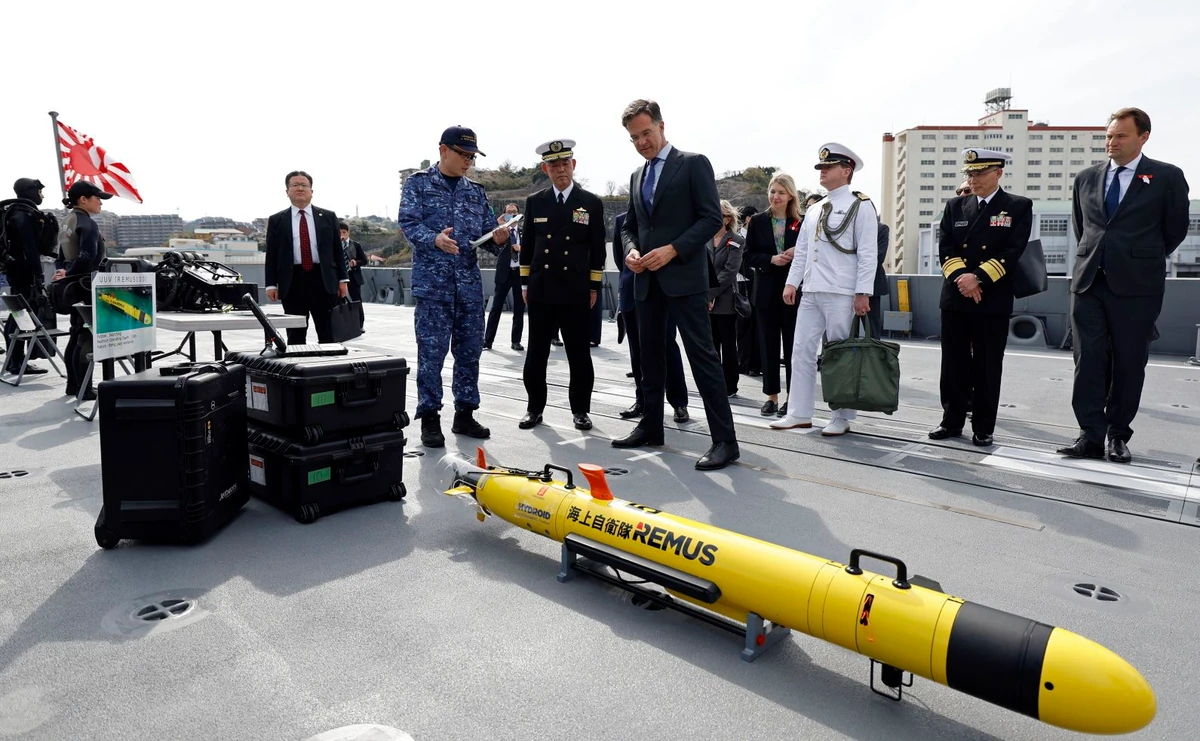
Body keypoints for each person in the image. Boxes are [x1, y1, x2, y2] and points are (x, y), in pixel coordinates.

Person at [1057, 107, 1189, 463]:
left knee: (1130, 362)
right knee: (1087, 360)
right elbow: (1082, 227)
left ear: (1143, 136)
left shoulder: (1166, 177)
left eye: (1120, 136)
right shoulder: (1086, 178)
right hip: (1088, 282)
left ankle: (1117, 435)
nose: (1111, 143)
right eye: (1109, 136)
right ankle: (1089, 435)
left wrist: (1137, 256)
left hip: (1138, 286)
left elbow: (1174, 229)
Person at [614, 99, 738, 471]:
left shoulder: (693, 164)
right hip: (646, 279)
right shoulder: (637, 176)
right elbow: (628, 226)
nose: (642, 143)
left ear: (662, 126)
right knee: (649, 359)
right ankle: (651, 425)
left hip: (683, 277)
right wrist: (632, 251)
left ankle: (725, 441)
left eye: (646, 133)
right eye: (634, 138)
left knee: (702, 358)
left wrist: (673, 250)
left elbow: (710, 218)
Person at [399, 126, 510, 447]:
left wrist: (500, 236)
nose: (468, 162)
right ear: (443, 150)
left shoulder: (475, 191)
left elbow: (489, 234)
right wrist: (433, 239)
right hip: (433, 288)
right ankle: (430, 418)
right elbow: (407, 223)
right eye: (463, 155)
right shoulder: (418, 184)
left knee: (469, 353)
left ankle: (465, 414)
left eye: (472, 157)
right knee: (432, 355)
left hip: (468, 288)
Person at [928, 149, 1032, 447]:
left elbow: (1013, 250)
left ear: (998, 173)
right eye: (969, 174)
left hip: (992, 296)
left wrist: (979, 278)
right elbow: (946, 248)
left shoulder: (1017, 206)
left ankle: (983, 426)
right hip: (956, 296)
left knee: (987, 364)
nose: (972, 180)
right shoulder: (955, 206)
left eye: (979, 174)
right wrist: (963, 279)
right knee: (953, 363)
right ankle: (951, 421)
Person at [772, 143, 877, 436]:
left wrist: (863, 292)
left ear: (847, 171)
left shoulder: (861, 204)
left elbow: (868, 252)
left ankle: (841, 416)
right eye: (821, 167)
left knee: (839, 355)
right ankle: (798, 413)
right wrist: (792, 282)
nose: (823, 171)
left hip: (842, 291)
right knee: (801, 351)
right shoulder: (816, 208)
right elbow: (803, 251)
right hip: (812, 289)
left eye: (829, 167)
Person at [517, 138, 606, 431]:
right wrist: (525, 285)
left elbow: (597, 249)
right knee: (537, 352)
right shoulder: (535, 202)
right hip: (542, 289)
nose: (560, 170)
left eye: (565, 163)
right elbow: (528, 245)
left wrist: (594, 287)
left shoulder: (590, 202)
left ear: (574, 165)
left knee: (578, 354)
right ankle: (534, 408)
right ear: (546, 168)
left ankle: (580, 409)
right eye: (554, 165)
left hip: (575, 289)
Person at [612, 211, 690, 422]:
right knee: (637, 351)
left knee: (667, 347)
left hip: (662, 292)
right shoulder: (621, 221)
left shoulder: (664, 217)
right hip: (632, 289)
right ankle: (642, 400)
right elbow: (621, 258)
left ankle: (679, 403)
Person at [264, 172, 349, 344]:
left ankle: (329, 368)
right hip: (292, 281)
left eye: (304, 185)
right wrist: (271, 284)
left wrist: (343, 280)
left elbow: (337, 250)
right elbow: (271, 254)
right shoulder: (277, 220)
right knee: (295, 335)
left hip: (323, 279)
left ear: (311, 190)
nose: (300, 188)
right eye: (295, 185)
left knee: (328, 333)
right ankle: (299, 368)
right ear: (287, 191)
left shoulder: (328, 217)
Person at [743, 173, 802, 416]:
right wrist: (771, 259)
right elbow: (747, 257)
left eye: (780, 192)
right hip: (765, 290)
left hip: (793, 291)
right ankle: (772, 397)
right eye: (772, 191)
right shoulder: (757, 221)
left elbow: (814, 252)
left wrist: (798, 250)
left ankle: (793, 397)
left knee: (792, 347)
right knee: (767, 345)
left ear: (790, 195)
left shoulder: (802, 222)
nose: (775, 196)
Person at [53, 181, 111, 399]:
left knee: (75, 335)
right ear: (83, 199)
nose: (100, 203)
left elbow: (60, 258)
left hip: (71, 287)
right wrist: (71, 273)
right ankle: (84, 389)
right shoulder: (88, 223)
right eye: (97, 198)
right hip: (86, 285)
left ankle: (73, 385)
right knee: (86, 337)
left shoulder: (66, 221)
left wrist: (63, 272)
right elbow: (87, 257)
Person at [3, 178, 52, 375]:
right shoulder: (22, 213)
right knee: (20, 316)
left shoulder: (10, 212)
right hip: (25, 272)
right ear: (29, 191)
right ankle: (16, 361)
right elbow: (29, 247)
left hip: (15, 270)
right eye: (39, 191)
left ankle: (13, 360)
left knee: (17, 314)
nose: (41, 195)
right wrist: (38, 274)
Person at [708, 200, 744, 396]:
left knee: (728, 344)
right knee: (710, 345)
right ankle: (713, 383)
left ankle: (730, 385)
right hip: (704, 300)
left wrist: (710, 294)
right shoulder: (703, 239)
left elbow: (730, 271)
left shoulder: (736, 240)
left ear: (728, 218)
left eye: (719, 215)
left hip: (725, 300)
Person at [483, 203, 525, 351]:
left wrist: (522, 249)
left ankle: (516, 341)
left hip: (519, 273)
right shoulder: (500, 232)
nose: (512, 215)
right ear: (504, 215)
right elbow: (490, 243)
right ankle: (487, 341)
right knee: (496, 308)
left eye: (514, 212)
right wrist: (498, 225)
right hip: (504, 273)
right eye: (509, 213)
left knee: (519, 309)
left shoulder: (524, 232)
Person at [735, 205, 761, 377]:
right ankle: (744, 363)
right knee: (743, 327)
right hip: (741, 284)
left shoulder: (759, 236)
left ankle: (755, 364)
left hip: (756, 284)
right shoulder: (737, 237)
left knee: (757, 326)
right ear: (747, 218)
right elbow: (738, 261)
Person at [338, 221, 368, 331]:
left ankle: (360, 324)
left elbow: (364, 260)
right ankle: (342, 324)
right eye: (339, 232)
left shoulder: (355, 245)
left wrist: (356, 262)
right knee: (340, 301)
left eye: (344, 232)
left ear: (348, 233)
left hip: (353, 275)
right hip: (340, 277)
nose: (342, 235)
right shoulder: (335, 245)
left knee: (357, 300)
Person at [867, 221, 891, 338]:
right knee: (843, 329)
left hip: (873, 285)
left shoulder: (881, 228)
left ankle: (873, 355)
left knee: (872, 327)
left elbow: (879, 256)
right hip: (845, 284)